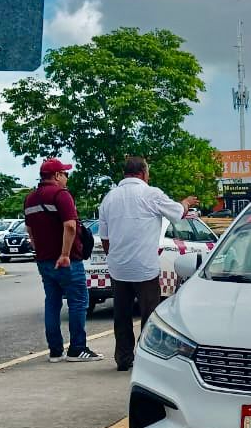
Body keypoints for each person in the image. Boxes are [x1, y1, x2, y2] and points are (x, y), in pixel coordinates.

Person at [98, 157, 198, 371]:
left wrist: (115, 257)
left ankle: (123, 359)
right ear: (143, 173)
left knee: (121, 315)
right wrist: (186, 202)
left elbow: (105, 238)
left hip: (119, 268)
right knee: (150, 315)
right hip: (145, 267)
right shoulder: (151, 193)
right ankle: (147, 358)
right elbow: (178, 213)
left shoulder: (109, 198)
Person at [23, 158, 102, 363]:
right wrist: (65, 254)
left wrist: (39, 247)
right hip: (66, 261)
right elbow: (70, 226)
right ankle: (77, 348)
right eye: (65, 173)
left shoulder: (30, 199)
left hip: (44, 261)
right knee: (78, 302)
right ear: (57, 176)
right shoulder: (61, 195)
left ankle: (55, 351)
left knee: (52, 303)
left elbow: (29, 230)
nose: (67, 177)